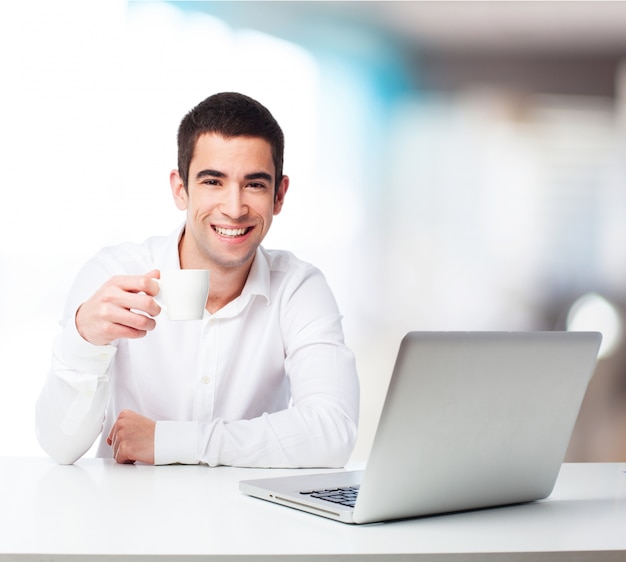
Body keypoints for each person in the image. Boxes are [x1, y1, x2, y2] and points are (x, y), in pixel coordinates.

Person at [36, 92, 359, 467]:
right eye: (213, 182)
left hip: (253, 520)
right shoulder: (115, 274)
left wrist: (171, 441)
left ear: (279, 196)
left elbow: (333, 431)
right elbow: (60, 446)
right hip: (125, 519)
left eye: (254, 184)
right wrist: (83, 340)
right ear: (180, 189)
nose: (234, 208)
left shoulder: (299, 288)